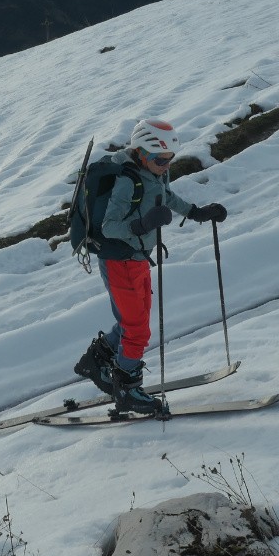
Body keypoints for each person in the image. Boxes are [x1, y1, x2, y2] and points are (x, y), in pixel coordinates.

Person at [73, 119, 228, 415]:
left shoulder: (154, 173)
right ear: (141, 153)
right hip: (120, 260)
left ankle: (96, 360)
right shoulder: (128, 181)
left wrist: (197, 213)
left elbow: (165, 197)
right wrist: (143, 224)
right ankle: (127, 389)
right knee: (138, 329)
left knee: (135, 319)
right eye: (160, 158)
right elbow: (109, 227)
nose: (166, 164)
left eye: (171, 158)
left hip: (138, 258)